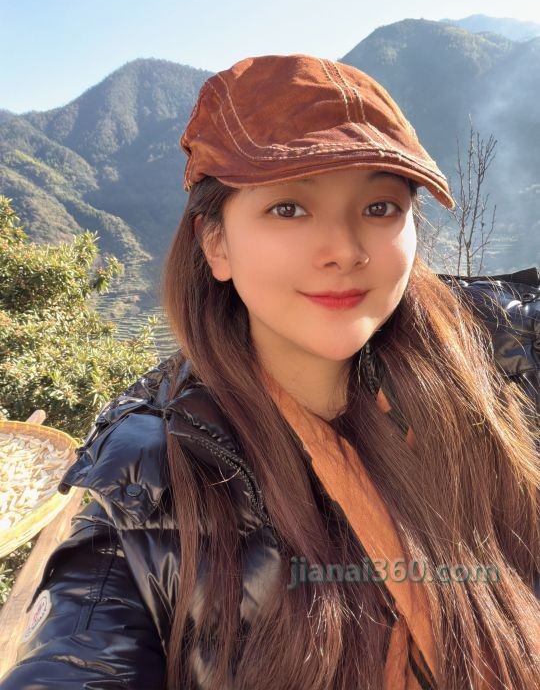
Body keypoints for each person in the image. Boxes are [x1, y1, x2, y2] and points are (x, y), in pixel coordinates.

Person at [0, 54, 538, 690]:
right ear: (216, 243)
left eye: (380, 207)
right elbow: (81, 657)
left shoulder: (500, 356)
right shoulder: (153, 483)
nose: (345, 250)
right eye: (289, 208)